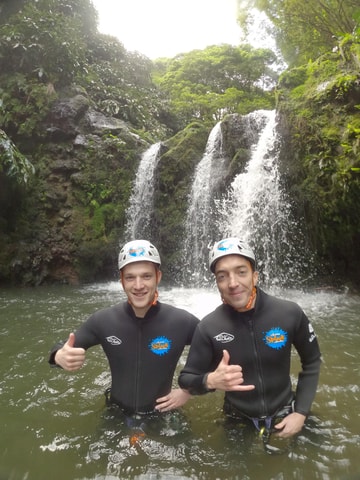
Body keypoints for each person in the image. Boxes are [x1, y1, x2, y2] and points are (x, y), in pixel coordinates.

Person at [179, 237, 321, 441]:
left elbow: (312, 361)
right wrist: (210, 380)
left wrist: (300, 412)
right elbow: (186, 379)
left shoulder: (289, 313)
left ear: (255, 276)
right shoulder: (208, 327)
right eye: (222, 276)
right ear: (217, 283)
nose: (233, 283)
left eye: (241, 272)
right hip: (237, 420)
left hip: (288, 412)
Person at [49, 239, 199, 416]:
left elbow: (216, 348)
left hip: (163, 415)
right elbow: (62, 347)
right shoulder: (103, 320)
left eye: (146, 276)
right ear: (121, 281)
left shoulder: (181, 321)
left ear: (158, 277)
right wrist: (59, 356)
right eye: (130, 277)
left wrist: (188, 391)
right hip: (116, 414)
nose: (138, 285)